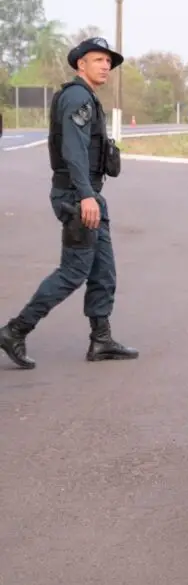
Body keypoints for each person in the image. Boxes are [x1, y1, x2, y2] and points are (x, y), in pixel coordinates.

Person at [0, 37, 138, 370]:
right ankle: (15, 330)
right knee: (74, 270)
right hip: (79, 196)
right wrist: (86, 195)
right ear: (81, 64)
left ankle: (101, 338)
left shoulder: (85, 97)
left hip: (89, 194)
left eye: (108, 61)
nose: (105, 66)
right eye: (98, 60)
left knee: (103, 270)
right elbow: (73, 151)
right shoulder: (78, 97)